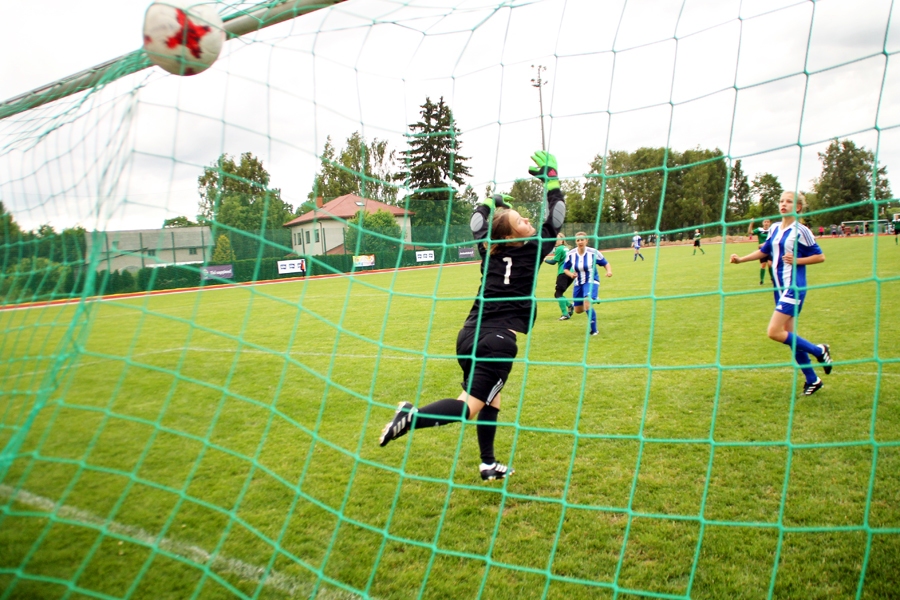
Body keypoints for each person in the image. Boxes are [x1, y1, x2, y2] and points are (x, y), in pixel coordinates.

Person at [378, 150, 566, 481]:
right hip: (498, 341)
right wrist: (552, 182)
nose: (527, 222)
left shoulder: (489, 250)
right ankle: (413, 415)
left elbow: (478, 224)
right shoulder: (535, 247)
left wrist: (490, 203)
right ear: (510, 235)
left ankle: (488, 463)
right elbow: (556, 219)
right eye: (520, 221)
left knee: (492, 400)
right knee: (468, 407)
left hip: (468, 334)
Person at [730, 191, 832, 396]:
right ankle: (813, 380)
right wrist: (741, 259)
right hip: (778, 288)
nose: (783, 204)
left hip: (794, 288)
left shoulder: (801, 231)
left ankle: (819, 350)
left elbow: (820, 257)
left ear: (798, 207)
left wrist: (797, 261)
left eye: (789, 202)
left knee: (774, 332)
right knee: (790, 336)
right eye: (781, 201)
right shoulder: (775, 228)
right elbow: (765, 250)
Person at [563, 233, 612, 336]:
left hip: (591, 281)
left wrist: (609, 271)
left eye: (582, 240)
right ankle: (594, 299)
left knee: (586, 303)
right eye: (578, 240)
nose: (580, 242)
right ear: (575, 242)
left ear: (586, 241)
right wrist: (571, 274)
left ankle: (594, 330)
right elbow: (565, 269)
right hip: (578, 283)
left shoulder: (593, 252)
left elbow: (605, 263)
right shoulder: (571, 254)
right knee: (578, 310)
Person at [544, 233, 574, 320]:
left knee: (558, 294)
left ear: (562, 240)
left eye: (557, 239)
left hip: (563, 273)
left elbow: (553, 262)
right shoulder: (566, 248)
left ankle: (565, 313)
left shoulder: (559, 249)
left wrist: (545, 260)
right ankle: (569, 305)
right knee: (559, 293)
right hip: (571, 273)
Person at [749, 219, 774, 285]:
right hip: (762, 250)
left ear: (769, 223)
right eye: (765, 222)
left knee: (770, 264)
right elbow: (750, 232)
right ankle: (761, 281)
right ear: (763, 223)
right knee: (763, 265)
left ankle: (772, 278)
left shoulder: (772, 230)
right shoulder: (759, 230)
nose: (766, 223)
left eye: (768, 222)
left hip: (770, 249)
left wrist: (764, 244)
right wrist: (751, 223)